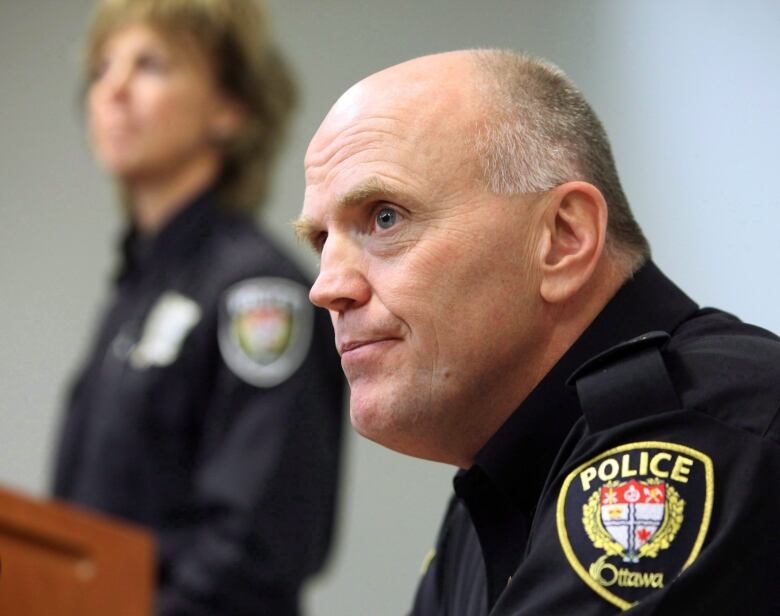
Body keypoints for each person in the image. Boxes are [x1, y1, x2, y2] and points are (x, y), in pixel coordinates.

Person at [297, 49, 780, 614]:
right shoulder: (495, 485)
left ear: (563, 238)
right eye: (321, 242)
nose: (325, 287)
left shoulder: (705, 438)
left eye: (384, 217)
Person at [52, 1, 344, 614]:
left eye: (151, 65)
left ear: (229, 109)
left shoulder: (259, 295)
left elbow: (254, 548)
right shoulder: (136, 290)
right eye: (103, 69)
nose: (114, 89)